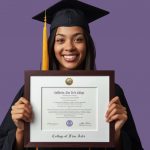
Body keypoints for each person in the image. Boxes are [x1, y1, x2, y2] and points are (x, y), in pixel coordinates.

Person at [0, 0, 143, 150]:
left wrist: (116, 134)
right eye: (60, 40)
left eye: (78, 39)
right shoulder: (31, 92)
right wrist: (21, 131)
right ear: (52, 46)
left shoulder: (110, 92)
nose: (69, 47)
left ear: (87, 44)